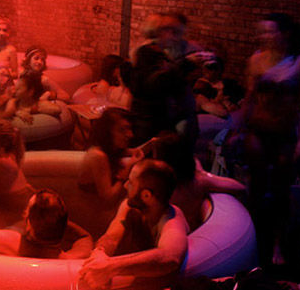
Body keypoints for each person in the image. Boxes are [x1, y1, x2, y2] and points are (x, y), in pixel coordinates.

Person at [238, 12, 300, 266]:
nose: (265, 36)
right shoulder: (256, 60)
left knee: (281, 188)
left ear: (284, 34)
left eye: (270, 31)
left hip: (285, 131)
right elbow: (249, 97)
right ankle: (252, 243)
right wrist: (237, 130)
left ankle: (278, 245)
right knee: (257, 187)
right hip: (258, 127)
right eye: (263, 31)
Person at [78, 160, 189, 290]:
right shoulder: (130, 208)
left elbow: (170, 258)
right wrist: (100, 252)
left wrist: (111, 267)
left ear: (146, 195)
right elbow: (112, 237)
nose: (125, 186)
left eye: (130, 183)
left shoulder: (172, 221)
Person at [151, 131, 245, 231]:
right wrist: (204, 174)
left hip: (182, 233)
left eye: (156, 159)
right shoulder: (198, 181)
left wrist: (203, 174)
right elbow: (240, 187)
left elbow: (240, 187)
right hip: (189, 231)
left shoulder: (162, 188)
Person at [0, 120, 35, 230]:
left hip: (13, 204)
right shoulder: (11, 155)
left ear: (0, 148)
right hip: (20, 199)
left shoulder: (0, 162)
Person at [78, 108, 141, 206]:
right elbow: (109, 199)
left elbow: (133, 152)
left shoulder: (111, 149)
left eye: (129, 129)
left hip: (102, 206)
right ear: (108, 132)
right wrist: (125, 173)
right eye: (122, 130)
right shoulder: (98, 156)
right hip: (94, 209)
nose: (130, 134)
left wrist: (151, 144)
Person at [3, 46, 69, 123]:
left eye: (42, 60)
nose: (39, 62)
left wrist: (49, 94)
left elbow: (66, 97)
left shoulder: (44, 79)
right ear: (28, 60)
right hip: (22, 105)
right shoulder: (22, 74)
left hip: (35, 107)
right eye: (36, 58)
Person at [192, 54, 242, 118]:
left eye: (211, 67)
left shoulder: (228, 85)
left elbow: (240, 104)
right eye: (205, 66)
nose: (206, 70)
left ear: (220, 70)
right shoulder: (196, 83)